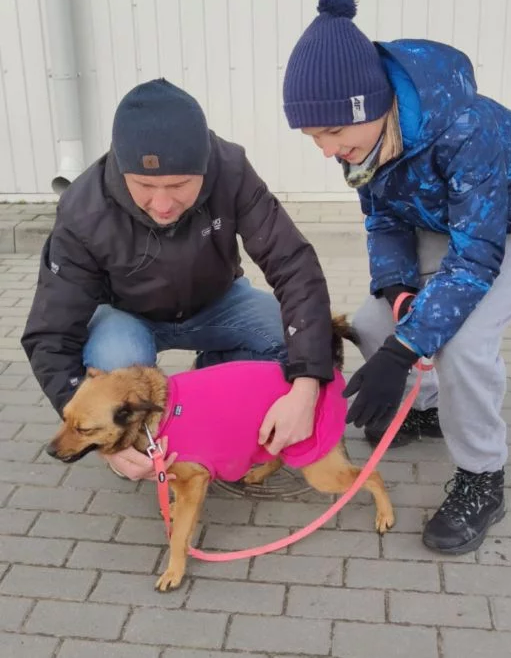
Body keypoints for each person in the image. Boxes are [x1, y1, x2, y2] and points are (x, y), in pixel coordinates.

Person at [280, 0, 511, 555]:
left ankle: (482, 475)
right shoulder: (365, 145)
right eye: (313, 138)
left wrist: (407, 349)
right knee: (374, 321)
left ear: (367, 108)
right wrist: (396, 289)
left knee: (463, 343)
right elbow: (386, 222)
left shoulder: (464, 129)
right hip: (448, 222)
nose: (325, 150)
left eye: (331, 134)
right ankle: (428, 412)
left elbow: (475, 258)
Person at [22, 78, 338, 482]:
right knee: (112, 368)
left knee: (289, 340)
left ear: (205, 168)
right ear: (122, 169)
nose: (163, 203)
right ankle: (138, 451)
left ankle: (217, 388)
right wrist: (101, 441)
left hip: (219, 302)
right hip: (127, 315)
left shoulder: (231, 169)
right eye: (145, 186)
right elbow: (50, 333)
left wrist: (307, 387)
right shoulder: (84, 208)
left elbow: (294, 265)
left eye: (178, 185)